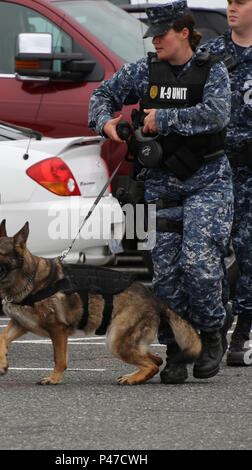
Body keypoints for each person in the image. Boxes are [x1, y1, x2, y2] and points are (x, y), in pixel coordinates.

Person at [88, 0, 233, 383]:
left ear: (184, 32)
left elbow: (218, 114)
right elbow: (100, 98)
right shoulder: (144, 71)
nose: (155, 41)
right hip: (161, 185)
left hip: (207, 182)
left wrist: (162, 117)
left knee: (199, 266)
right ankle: (177, 348)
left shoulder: (211, 71)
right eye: (151, 35)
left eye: (162, 34)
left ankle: (212, 331)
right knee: (166, 276)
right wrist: (107, 123)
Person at [203, 0, 252, 367]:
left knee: (249, 254)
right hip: (217, 169)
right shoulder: (212, 53)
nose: (231, 8)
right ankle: (216, 327)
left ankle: (243, 334)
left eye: (240, 2)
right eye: (229, 1)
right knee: (211, 253)